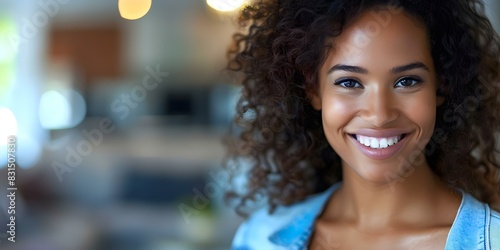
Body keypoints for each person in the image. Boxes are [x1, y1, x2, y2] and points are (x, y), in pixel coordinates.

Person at [224, 0, 500, 249]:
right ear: (314, 90)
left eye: (407, 81)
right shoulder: (259, 238)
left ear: (441, 86)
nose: (379, 115)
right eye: (349, 82)